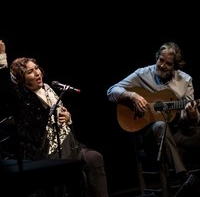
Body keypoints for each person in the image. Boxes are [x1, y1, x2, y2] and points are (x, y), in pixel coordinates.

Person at [0, 39, 109, 197]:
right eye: (30, 72)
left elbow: (62, 119)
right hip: (45, 151)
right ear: (21, 79)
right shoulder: (21, 97)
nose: (37, 73)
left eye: (37, 68)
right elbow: (5, 88)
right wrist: (2, 56)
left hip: (69, 145)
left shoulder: (48, 88)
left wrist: (68, 116)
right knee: (77, 175)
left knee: (95, 157)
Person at [107, 42, 200, 196]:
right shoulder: (142, 74)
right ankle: (184, 177)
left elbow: (190, 117)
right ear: (157, 57)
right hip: (152, 137)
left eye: (168, 63)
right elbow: (111, 91)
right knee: (160, 125)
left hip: (178, 133)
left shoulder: (185, 80)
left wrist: (193, 117)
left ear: (175, 66)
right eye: (160, 60)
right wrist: (132, 96)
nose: (162, 65)